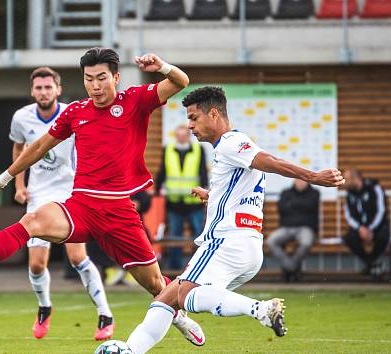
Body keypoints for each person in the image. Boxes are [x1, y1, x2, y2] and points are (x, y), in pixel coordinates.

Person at [0, 47, 205, 347]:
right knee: (32, 220)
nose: (95, 86)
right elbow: (39, 146)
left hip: (119, 211)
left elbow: (181, 82)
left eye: (101, 78)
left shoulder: (134, 100)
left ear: (116, 77)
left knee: (157, 285)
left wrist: (162, 66)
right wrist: (4, 179)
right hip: (80, 204)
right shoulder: (76, 112)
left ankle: (179, 316)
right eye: (88, 79)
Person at [124, 86, 345, 354]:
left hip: (225, 243)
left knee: (184, 295)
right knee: (165, 300)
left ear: (214, 113)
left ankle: (261, 309)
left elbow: (270, 161)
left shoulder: (231, 143)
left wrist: (313, 177)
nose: (190, 125)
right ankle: (129, 351)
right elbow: (241, 186)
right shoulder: (230, 148)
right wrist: (211, 195)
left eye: (194, 117)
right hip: (248, 248)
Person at [9, 67, 114, 340]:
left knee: (78, 257)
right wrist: (19, 186)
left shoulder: (75, 113)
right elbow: (19, 149)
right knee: (35, 265)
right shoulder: (21, 118)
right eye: (38, 88)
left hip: (70, 193)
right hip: (39, 195)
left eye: (48, 87)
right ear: (32, 91)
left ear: (58, 89)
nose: (43, 92)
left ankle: (105, 314)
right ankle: (44, 307)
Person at [156, 125, 208, 269]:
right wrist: (157, 189)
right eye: (178, 135)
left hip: (194, 202)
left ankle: (198, 266)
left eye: (184, 135)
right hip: (174, 202)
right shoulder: (168, 149)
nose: (181, 137)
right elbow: (163, 170)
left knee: (198, 236)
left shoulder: (199, 150)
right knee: (174, 236)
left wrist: (205, 191)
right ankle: (175, 269)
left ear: (189, 136)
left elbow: (203, 172)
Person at [266, 179, 320, 282]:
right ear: (294, 181)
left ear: (307, 182)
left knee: (306, 242)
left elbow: (311, 206)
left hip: (306, 227)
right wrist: (302, 205)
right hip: (286, 227)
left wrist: (292, 204)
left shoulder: (314, 193)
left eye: (302, 180)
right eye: (298, 180)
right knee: (271, 241)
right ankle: (291, 266)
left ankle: (289, 267)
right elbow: (282, 208)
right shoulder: (286, 192)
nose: (300, 182)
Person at [342, 168, 391, 276]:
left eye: (346, 179)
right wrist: (360, 229)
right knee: (349, 238)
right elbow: (348, 215)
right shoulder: (349, 193)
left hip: (377, 227)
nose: (343, 181)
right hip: (360, 229)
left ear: (355, 178)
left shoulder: (375, 188)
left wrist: (370, 229)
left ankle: (370, 264)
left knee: (383, 237)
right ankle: (371, 264)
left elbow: (381, 211)